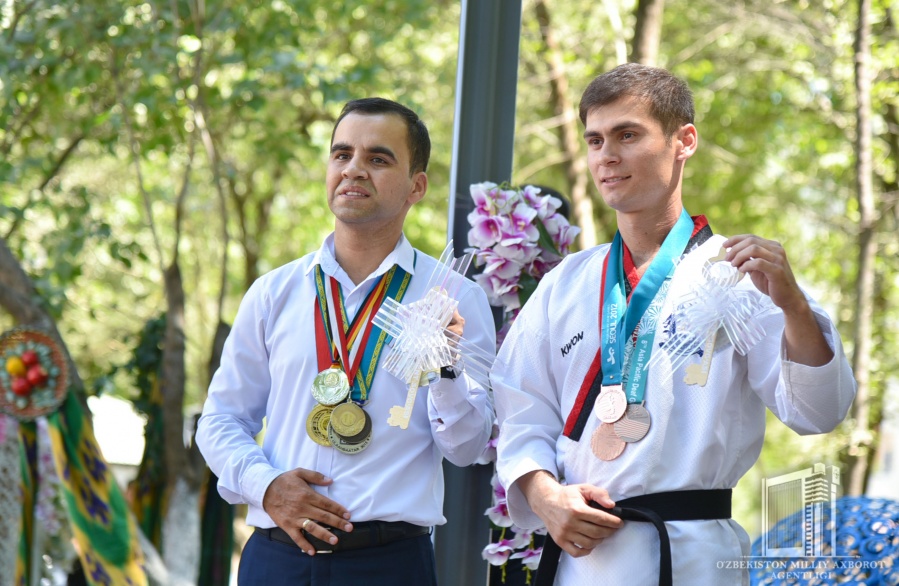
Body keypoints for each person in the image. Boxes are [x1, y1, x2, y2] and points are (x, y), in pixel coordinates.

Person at [492, 63, 856, 586]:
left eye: (627, 135)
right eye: (595, 140)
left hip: (691, 558)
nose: (606, 155)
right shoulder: (565, 283)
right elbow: (520, 411)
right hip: (582, 559)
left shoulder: (742, 275)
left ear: (684, 141)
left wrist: (794, 306)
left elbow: (819, 411)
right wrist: (542, 493)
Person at [196, 97, 496, 585]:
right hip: (277, 558)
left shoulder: (455, 297)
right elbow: (221, 419)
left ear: (416, 186)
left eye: (378, 158)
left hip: (391, 565)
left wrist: (446, 368)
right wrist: (266, 486)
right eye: (342, 154)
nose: (354, 169)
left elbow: (467, 448)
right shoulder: (273, 293)